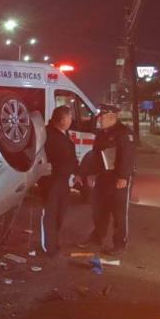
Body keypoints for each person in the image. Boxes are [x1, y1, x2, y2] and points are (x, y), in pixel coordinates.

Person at [78, 104, 135, 256]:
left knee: (119, 213)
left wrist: (123, 177)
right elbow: (96, 155)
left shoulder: (124, 133)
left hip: (118, 178)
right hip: (103, 177)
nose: (99, 120)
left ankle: (119, 243)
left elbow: (128, 157)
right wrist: (90, 173)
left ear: (111, 117)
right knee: (99, 210)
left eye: (102, 117)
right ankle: (97, 237)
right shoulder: (102, 133)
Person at [39, 105, 78, 259]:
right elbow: (58, 159)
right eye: (69, 117)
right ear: (62, 119)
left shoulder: (62, 133)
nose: (71, 120)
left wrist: (77, 172)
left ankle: (54, 242)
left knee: (60, 213)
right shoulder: (49, 135)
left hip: (62, 181)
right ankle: (49, 247)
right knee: (50, 214)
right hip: (52, 181)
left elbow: (70, 158)